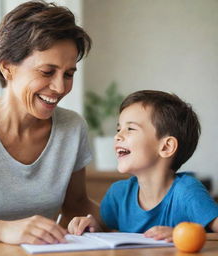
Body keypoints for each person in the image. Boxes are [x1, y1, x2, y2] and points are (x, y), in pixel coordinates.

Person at [0, 1, 100, 245]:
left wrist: (149, 216)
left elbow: (76, 205)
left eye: (68, 74)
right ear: (7, 68)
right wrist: (4, 231)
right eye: (47, 72)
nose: (59, 88)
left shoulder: (72, 127)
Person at [68, 90, 218, 241]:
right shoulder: (118, 194)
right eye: (118, 129)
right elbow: (105, 230)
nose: (117, 136)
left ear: (166, 147)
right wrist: (91, 226)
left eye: (130, 129)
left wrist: (182, 235)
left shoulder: (187, 192)